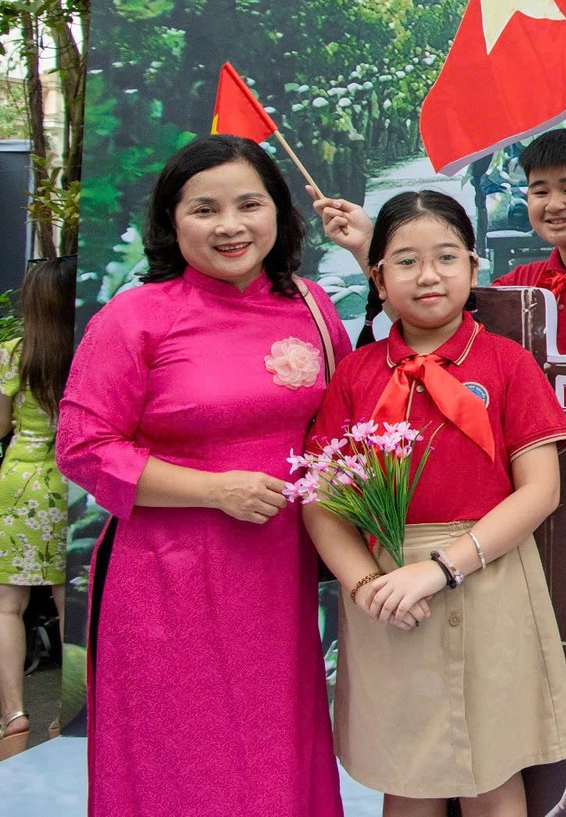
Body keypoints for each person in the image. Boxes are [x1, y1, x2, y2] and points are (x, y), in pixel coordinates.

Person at [57, 135, 348, 815]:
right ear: (171, 221)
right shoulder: (136, 316)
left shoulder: (309, 305)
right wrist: (214, 489)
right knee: (181, 757)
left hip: (278, 575)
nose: (230, 226)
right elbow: (83, 446)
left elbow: (343, 423)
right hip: (169, 581)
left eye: (250, 204)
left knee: (276, 745)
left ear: (278, 211)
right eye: (204, 209)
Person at [304, 191, 566, 814]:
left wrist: (445, 565)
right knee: (406, 777)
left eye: (446, 256)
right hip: (387, 594)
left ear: (474, 268)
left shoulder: (507, 364)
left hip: (489, 577)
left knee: (493, 778)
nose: (428, 275)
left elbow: (541, 489)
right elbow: (321, 502)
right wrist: (364, 583)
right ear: (376, 275)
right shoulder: (355, 375)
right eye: (405, 261)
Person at [316, 128, 566, 364]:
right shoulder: (519, 284)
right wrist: (364, 247)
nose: (553, 204)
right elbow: (430, 323)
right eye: (540, 191)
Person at [0, 255, 75, 743]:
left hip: (21, 481)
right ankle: (68, 712)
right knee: (68, 599)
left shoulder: (11, 352)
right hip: (74, 480)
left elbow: (0, 427)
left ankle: (13, 714)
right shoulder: (87, 350)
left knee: (8, 605)